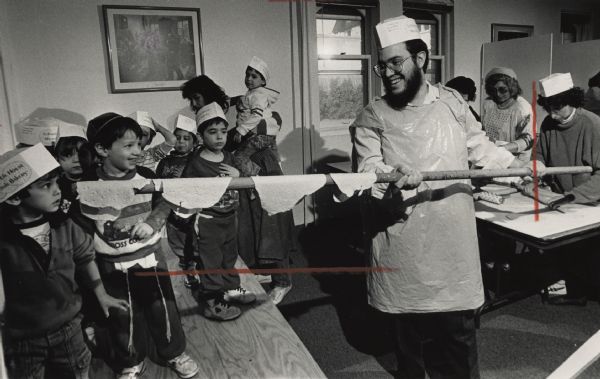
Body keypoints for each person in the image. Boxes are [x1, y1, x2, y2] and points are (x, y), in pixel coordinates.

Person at [350, 16, 519, 378]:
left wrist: (516, 164)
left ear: (421, 59)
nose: (388, 72)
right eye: (383, 65)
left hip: (450, 236)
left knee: (457, 334)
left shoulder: (455, 104)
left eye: (397, 62)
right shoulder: (372, 116)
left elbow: (480, 148)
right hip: (402, 235)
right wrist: (391, 177)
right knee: (408, 339)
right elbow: (367, 170)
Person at [81, 113, 199, 379]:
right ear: (101, 149)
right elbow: (83, 228)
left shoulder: (146, 176)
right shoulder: (88, 185)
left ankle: (173, 352)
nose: (138, 151)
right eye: (128, 146)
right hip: (111, 265)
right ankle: (131, 360)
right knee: (123, 315)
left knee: (162, 306)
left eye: (139, 144)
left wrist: (154, 222)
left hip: (150, 257)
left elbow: (166, 201)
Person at [0, 143, 127, 379]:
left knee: (77, 372)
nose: (57, 191)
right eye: (46, 186)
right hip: (23, 338)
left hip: (69, 328)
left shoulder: (65, 225)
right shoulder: (5, 240)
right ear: (15, 197)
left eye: (57, 183)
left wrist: (101, 295)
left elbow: (85, 257)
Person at [182, 102, 256, 321]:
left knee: (229, 257)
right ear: (201, 135)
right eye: (212, 132)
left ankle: (231, 289)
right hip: (208, 220)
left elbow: (243, 182)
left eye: (223, 132)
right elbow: (185, 190)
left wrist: (237, 176)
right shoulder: (195, 163)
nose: (219, 137)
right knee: (210, 261)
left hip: (229, 217)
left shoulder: (229, 157)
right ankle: (213, 302)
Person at [531, 72, 600, 306]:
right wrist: (537, 163)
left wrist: (574, 196)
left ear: (572, 101)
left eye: (557, 107)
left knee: (586, 252)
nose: (551, 114)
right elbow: (539, 154)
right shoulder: (549, 123)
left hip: (588, 201)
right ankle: (571, 287)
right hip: (562, 198)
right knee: (563, 250)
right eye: (548, 107)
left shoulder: (593, 124)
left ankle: (580, 290)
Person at [156, 114, 201, 289]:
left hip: (192, 209)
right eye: (178, 138)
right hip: (171, 209)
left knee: (196, 243)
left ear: (195, 142)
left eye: (186, 138)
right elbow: (159, 185)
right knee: (179, 243)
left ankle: (204, 272)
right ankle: (188, 273)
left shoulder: (197, 159)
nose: (181, 142)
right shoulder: (165, 162)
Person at [231, 56, 281, 176]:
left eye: (254, 77)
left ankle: (259, 173)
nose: (249, 79)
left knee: (238, 158)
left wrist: (241, 130)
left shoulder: (257, 95)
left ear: (263, 81)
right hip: (270, 135)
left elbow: (257, 115)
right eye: (247, 75)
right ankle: (275, 170)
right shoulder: (253, 93)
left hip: (260, 135)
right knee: (275, 158)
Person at [482, 67, 534, 164]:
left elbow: (527, 140)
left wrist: (501, 149)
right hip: (492, 156)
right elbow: (485, 130)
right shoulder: (488, 103)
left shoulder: (522, 107)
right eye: (494, 90)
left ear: (512, 87)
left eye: (503, 90)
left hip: (515, 160)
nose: (498, 94)